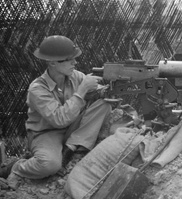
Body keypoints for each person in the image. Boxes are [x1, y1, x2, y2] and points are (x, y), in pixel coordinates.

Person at [0, 35, 112, 187]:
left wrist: (109, 90)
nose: (75, 62)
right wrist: (82, 90)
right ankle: (15, 166)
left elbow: (98, 93)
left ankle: (71, 148)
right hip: (46, 134)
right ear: (52, 62)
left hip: (72, 129)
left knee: (103, 103)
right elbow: (59, 120)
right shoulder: (37, 88)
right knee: (49, 166)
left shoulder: (76, 76)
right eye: (69, 59)